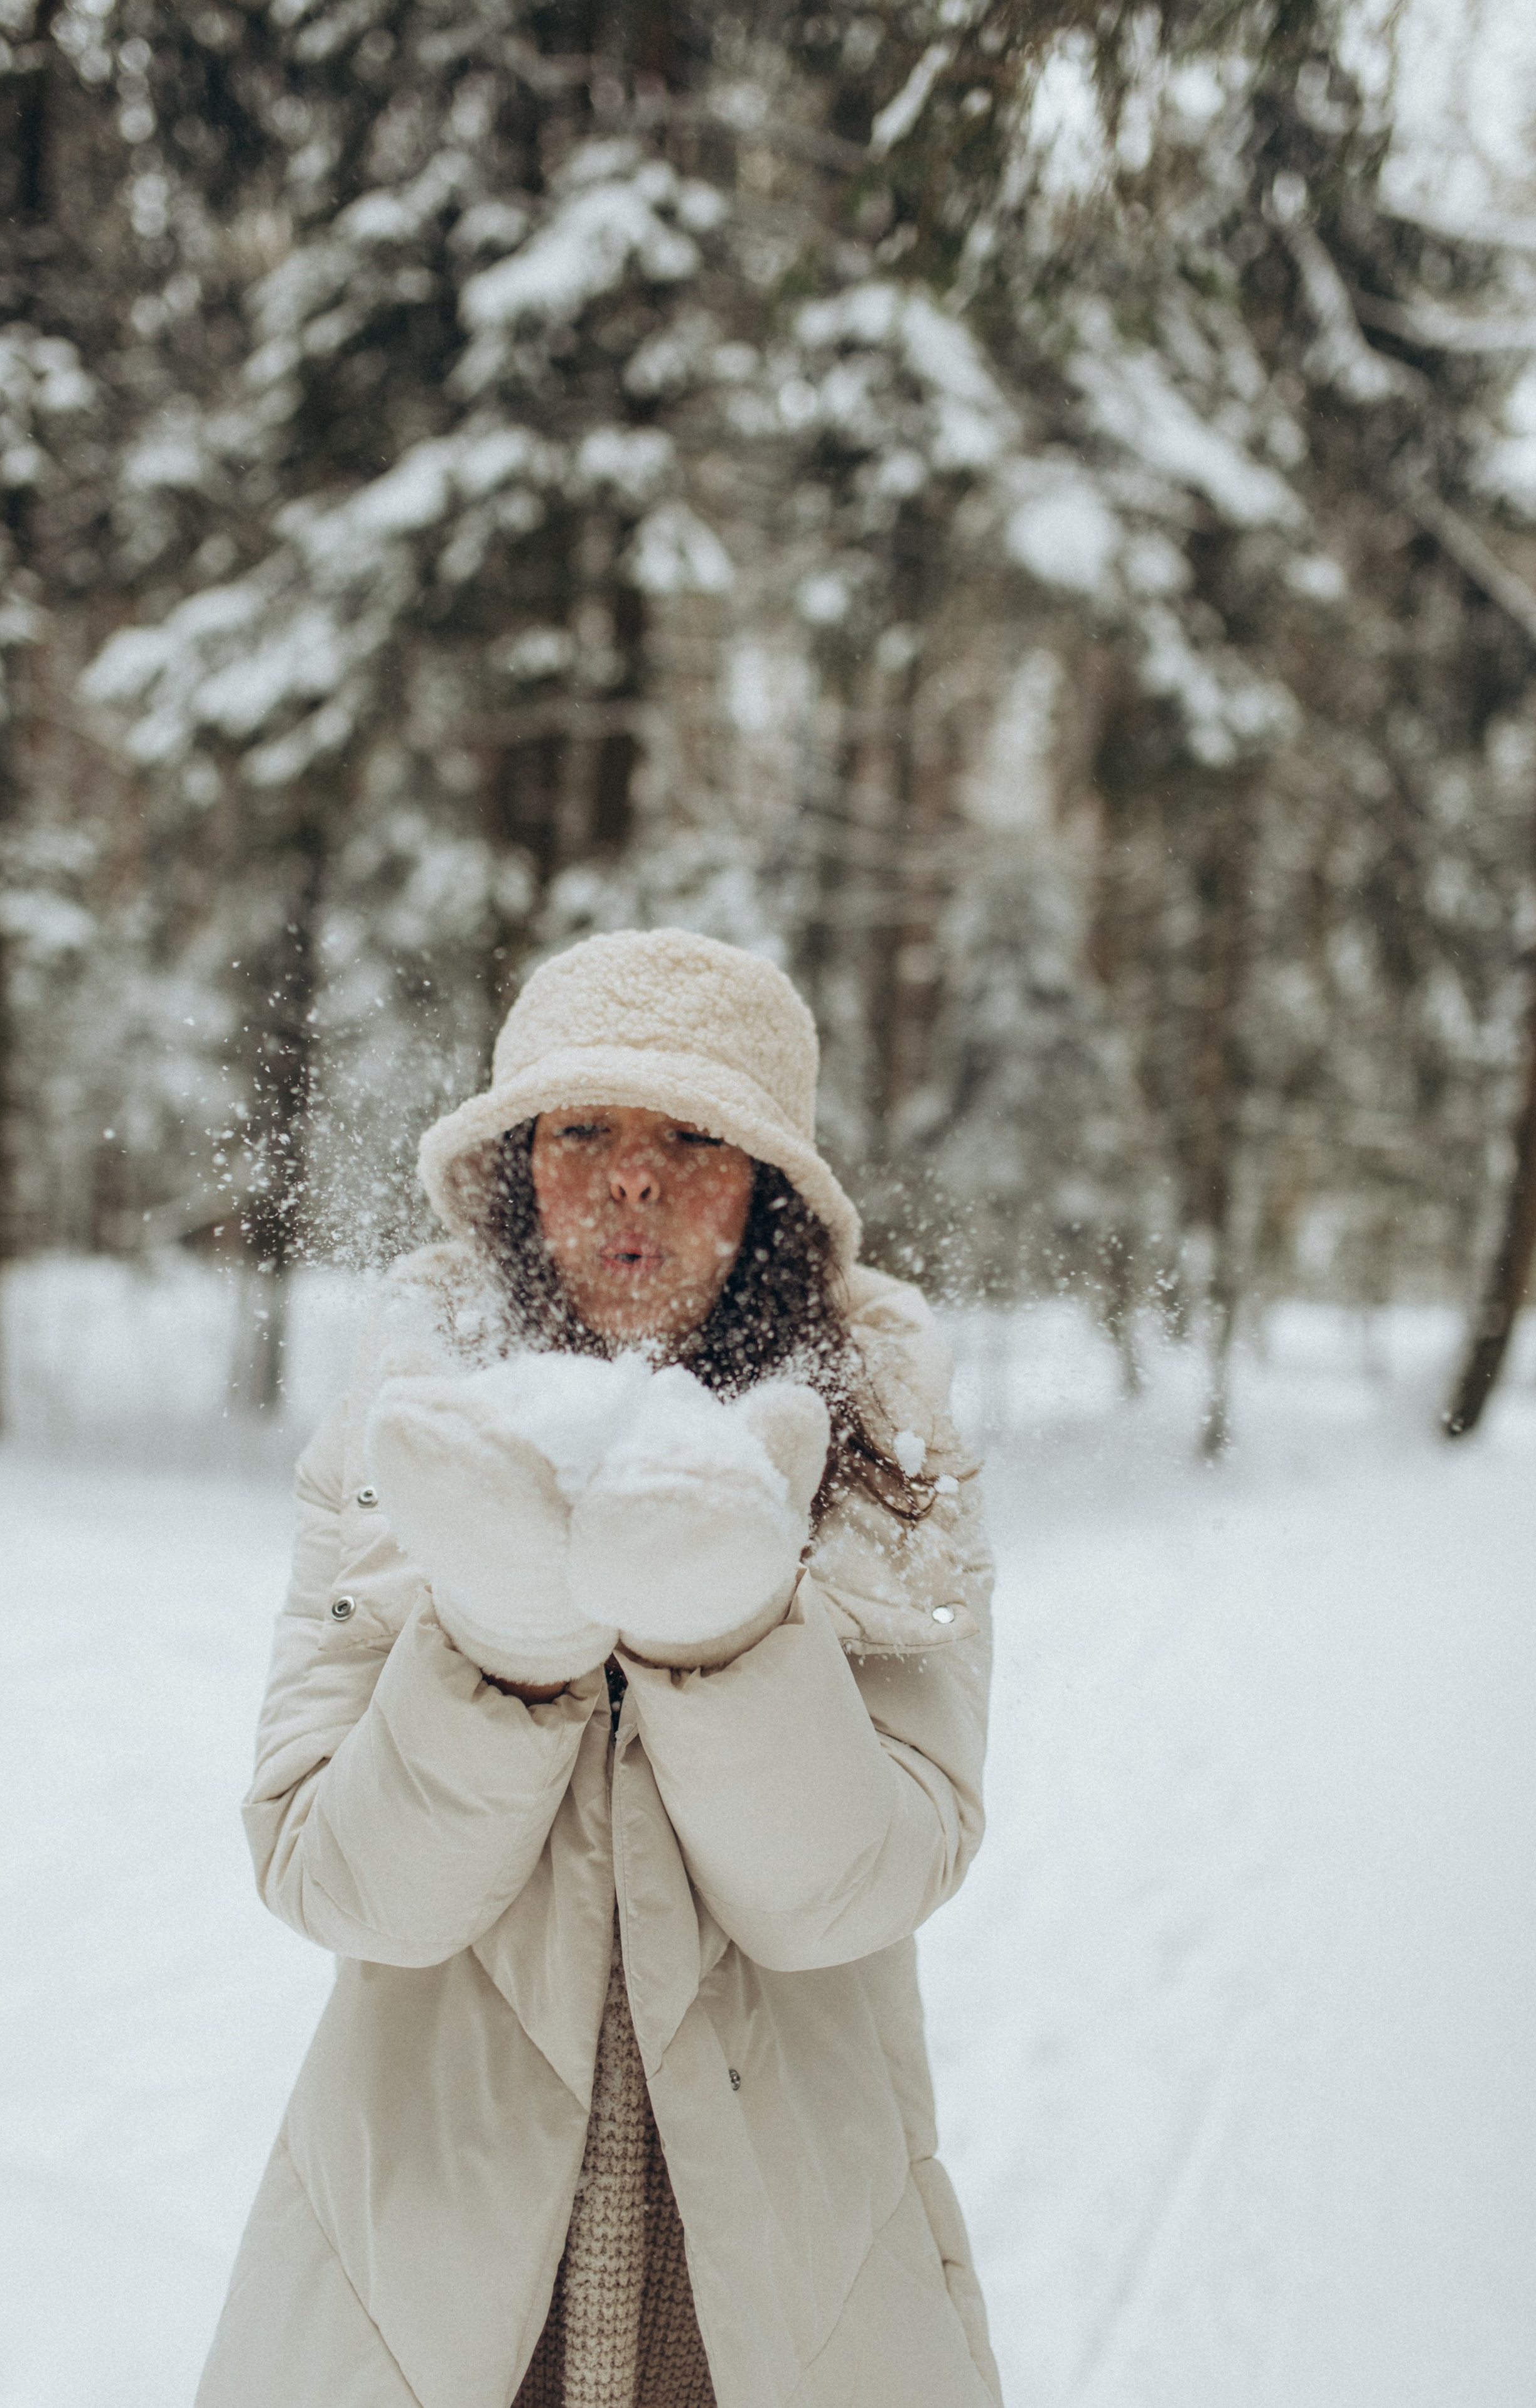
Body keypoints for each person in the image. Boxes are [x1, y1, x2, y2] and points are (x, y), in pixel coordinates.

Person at [195, 927, 1001, 2408]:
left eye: (693, 1135)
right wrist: (498, 1646)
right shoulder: (400, 1439)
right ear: (520, 1169)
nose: (633, 1177)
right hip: (410, 2280)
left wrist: (725, 1632)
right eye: (584, 1131)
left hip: (787, 2286)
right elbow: (336, 1880)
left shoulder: (887, 1452)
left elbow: (859, 1886)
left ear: (769, 1190)